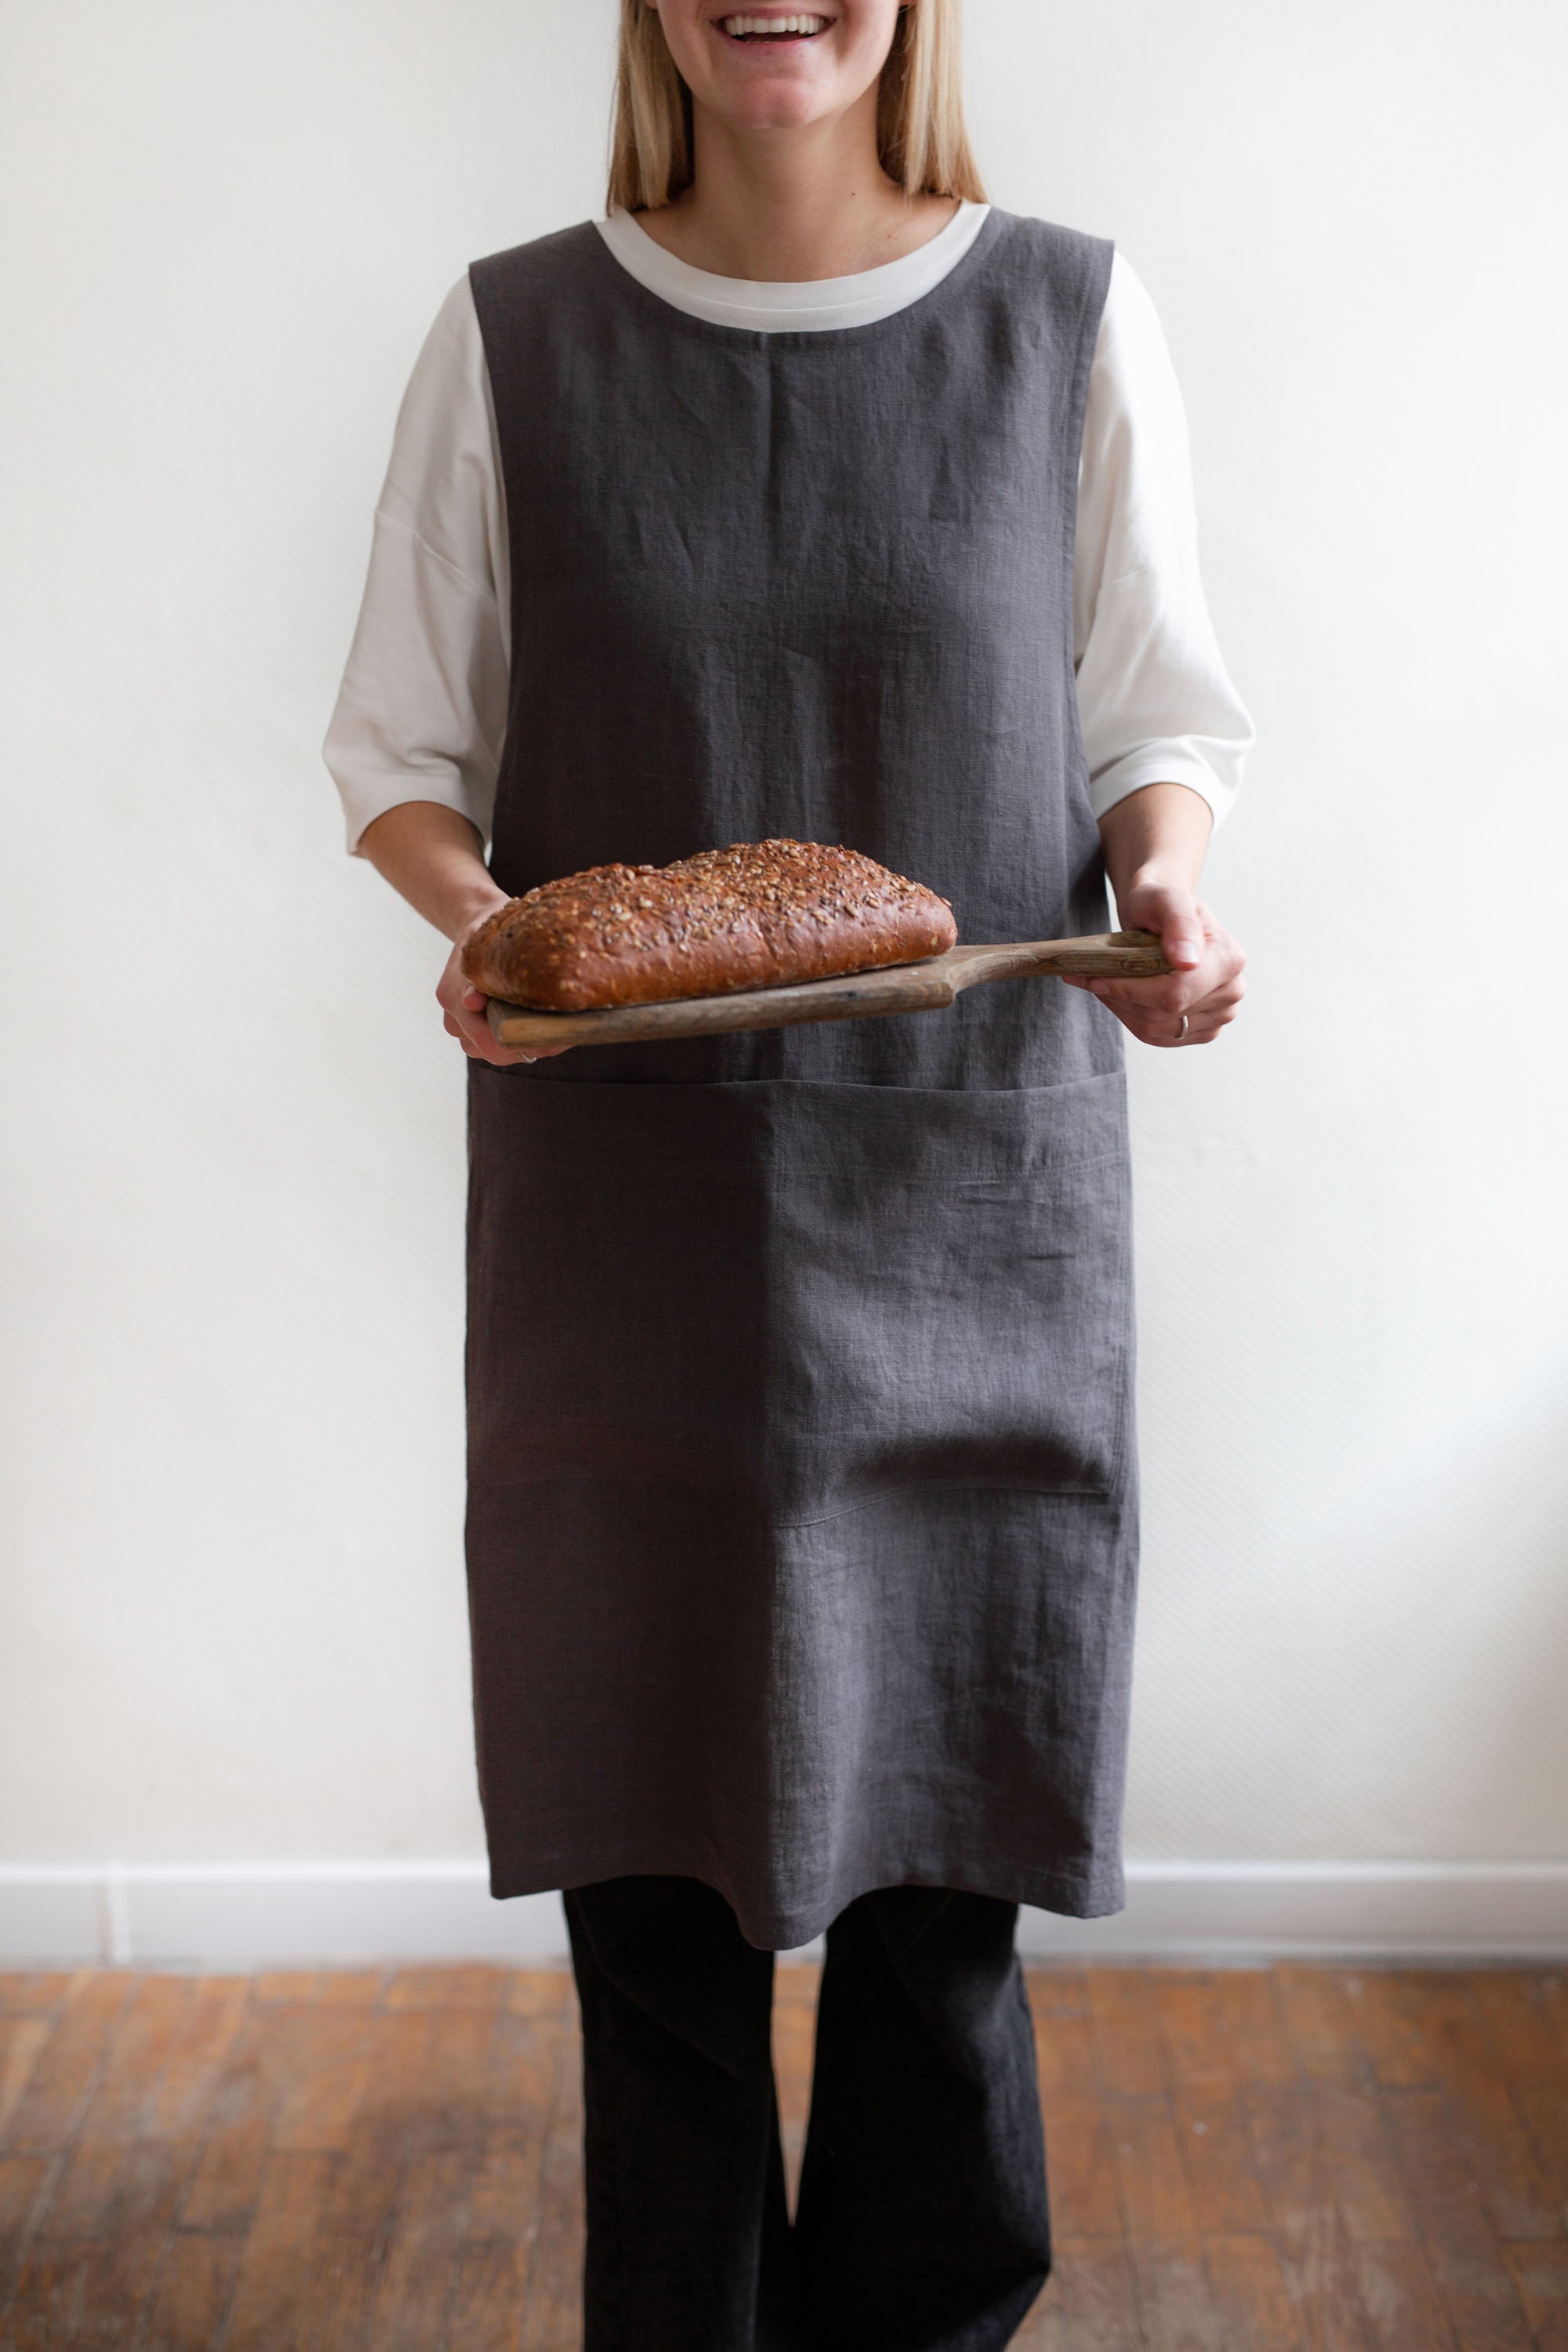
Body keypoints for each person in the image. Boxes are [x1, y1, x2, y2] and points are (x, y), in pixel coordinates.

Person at [324, 3, 1252, 2344]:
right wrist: (498, 944)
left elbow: (1156, 712)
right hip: (626, 1237)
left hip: (975, 1213)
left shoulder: (1065, 313)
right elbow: (401, 752)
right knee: (656, 1922)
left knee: (943, 1920)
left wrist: (1166, 884)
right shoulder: (516, 334)